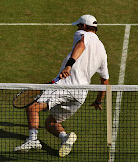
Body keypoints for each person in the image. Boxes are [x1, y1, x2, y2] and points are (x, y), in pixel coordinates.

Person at [14, 14, 109, 157]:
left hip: (66, 85)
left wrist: (69, 66)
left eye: (78, 25)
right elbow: (105, 81)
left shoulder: (82, 34)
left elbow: (81, 44)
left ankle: (33, 140)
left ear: (83, 26)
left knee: (32, 107)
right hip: (81, 95)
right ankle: (65, 138)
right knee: (50, 122)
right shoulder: (102, 50)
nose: (77, 28)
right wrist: (98, 101)